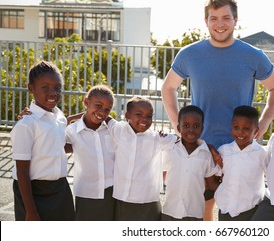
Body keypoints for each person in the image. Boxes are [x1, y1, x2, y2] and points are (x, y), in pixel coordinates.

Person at [161, 0, 274, 220]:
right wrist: (178, 127)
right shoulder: (189, 54)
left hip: (239, 146)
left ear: (236, 20)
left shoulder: (253, 55)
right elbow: (168, 88)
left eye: (226, 18)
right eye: (213, 18)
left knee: (238, 210)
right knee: (203, 207)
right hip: (201, 145)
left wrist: (264, 123)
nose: (220, 24)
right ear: (206, 21)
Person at [11, 60, 75, 221]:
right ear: (31, 88)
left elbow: (57, 143)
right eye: (45, 87)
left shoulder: (58, 117)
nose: (53, 92)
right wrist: (30, 211)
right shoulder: (26, 124)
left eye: (57, 87)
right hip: (33, 192)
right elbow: (22, 171)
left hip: (60, 188)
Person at [107, 96, 178, 221]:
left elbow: (178, 140)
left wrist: (208, 147)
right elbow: (105, 118)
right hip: (122, 198)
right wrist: (74, 118)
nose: (144, 119)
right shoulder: (119, 130)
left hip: (148, 200)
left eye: (149, 116)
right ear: (127, 115)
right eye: (138, 114)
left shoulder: (156, 138)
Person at [65, 85, 117, 220]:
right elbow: (53, 141)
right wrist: (69, 118)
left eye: (107, 109)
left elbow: (129, 133)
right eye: (98, 106)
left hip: (112, 193)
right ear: (86, 102)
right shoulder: (72, 130)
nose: (102, 112)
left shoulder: (113, 130)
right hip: (86, 194)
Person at [161, 105, 220, 221]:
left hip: (194, 213)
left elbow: (212, 184)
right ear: (179, 127)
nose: (191, 130)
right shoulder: (171, 147)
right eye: (186, 125)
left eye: (196, 126)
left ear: (202, 128)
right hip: (170, 211)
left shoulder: (206, 154)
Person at [214, 105, 268, 221]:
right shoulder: (223, 151)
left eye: (246, 129)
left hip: (250, 211)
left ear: (256, 130)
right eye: (236, 127)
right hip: (225, 210)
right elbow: (217, 175)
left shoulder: (262, 153)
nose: (240, 132)